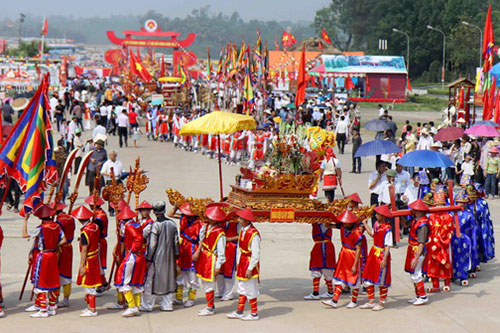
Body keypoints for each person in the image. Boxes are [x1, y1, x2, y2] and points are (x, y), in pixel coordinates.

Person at [23, 204, 66, 318]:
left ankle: (43, 310)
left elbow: (25, 235)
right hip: (52, 254)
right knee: (52, 280)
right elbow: (64, 239)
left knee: (40, 281)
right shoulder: (57, 226)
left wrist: (25, 222)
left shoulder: (40, 228)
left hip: (44, 255)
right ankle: (52, 307)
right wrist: (55, 246)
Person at [142, 201, 179, 312]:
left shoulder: (155, 225)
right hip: (170, 257)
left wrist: (148, 258)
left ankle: (148, 305)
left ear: (154, 211)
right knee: (169, 279)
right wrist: (176, 255)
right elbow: (176, 242)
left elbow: (152, 245)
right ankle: (168, 304)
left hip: (157, 258)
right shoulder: (172, 224)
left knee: (151, 281)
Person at [321, 210, 362, 309]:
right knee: (340, 277)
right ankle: (334, 300)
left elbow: (358, 250)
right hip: (343, 254)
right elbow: (332, 225)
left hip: (352, 256)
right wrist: (327, 222)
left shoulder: (357, 233)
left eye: (346, 222)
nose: (344, 223)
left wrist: (355, 265)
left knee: (354, 278)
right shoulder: (343, 227)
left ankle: (354, 300)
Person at [226, 209, 261, 321]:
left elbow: (256, 254)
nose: (238, 220)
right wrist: (238, 262)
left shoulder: (254, 234)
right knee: (241, 287)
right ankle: (239, 311)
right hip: (243, 261)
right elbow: (240, 249)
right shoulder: (242, 230)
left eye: (240, 218)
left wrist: (250, 268)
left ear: (246, 220)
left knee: (250, 288)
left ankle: (254, 313)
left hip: (249, 262)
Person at [193, 206, 227, 316]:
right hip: (204, 257)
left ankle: (210, 307)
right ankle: (209, 305)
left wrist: (218, 266)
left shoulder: (220, 234)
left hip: (211, 259)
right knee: (205, 283)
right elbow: (201, 239)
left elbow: (221, 252)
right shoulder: (207, 227)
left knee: (210, 284)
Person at [114, 206, 147, 317]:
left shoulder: (129, 226)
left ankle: (132, 306)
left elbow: (137, 238)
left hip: (132, 255)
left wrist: (134, 249)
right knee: (137, 281)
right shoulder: (136, 224)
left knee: (124, 281)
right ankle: (137, 306)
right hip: (140, 256)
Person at [168, 203, 202, 308]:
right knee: (180, 274)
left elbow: (202, 240)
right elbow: (170, 214)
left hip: (193, 248)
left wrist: (198, 252)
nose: (187, 216)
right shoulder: (183, 218)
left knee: (192, 276)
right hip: (182, 248)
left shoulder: (200, 223)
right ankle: (179, 297)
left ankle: (191, 298)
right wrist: (176, 206)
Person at [359, 205, 393, 311]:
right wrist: (365, 224)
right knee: (369, 276)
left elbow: (388, 245)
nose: (376, 215)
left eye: (378, 214)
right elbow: (373, 234)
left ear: (383, 216)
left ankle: (382, 302)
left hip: (382, 254)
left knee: (382, 280)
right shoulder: (376, 224)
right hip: (374, 253)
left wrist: (384, 259)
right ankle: (371, 300)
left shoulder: (388, 229)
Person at [73, 206, 102, 317]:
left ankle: (92, 309)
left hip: (89, 259)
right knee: (91, 284)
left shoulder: (85, 231)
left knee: (89, 284)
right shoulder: (95, 226)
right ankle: (89, 307)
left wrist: (81, 265)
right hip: (95, 256)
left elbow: (84, 249)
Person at [425, 186, 454, 293]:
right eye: (438, 205)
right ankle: (435, 285)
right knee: (433, 264)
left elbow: (450, 229)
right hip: (432, 244)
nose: (440, 207)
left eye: (442, 204)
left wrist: (442, 239)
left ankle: (447, 283)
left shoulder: (448, 216)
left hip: (445, 243)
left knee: (446, 263)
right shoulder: (431, 216)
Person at [404, 199, 430, 306]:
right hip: (412, 249)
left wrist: (416, 257)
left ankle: (423, 296)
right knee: (412, 273)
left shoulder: (423, 225)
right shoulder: (415, 220)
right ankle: (418, 295)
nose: (412, 211)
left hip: (417, 251)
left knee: (416, 273)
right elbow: (405, 225)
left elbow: (421, 243)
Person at [304, 218, 336, 300]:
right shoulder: (318, 222)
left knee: (324, 270)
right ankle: (322, 292)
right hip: (320, 247)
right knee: (318, 270)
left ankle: (325, 292)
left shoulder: (325, 223)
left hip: (324, 247)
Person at [52, 202, 75, 309]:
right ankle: (66, 298)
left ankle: (55, 297)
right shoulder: (71, 218)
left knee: (58, 273)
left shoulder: (58, 222)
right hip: (69, 247)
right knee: (67, 272)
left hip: (61, 248)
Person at [85, 195, 110, 292]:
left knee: (98, 263)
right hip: (99, 241)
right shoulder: (99, 214)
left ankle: (102, 284)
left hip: (99, 241)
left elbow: (96, 231)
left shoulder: (99, 217)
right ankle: (102, 283)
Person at [451, 189, 474, 286]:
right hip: (453, 238)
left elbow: (472, 230)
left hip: (465, 238)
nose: (461, 204)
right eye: (459, 202)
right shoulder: (451, 214)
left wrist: (473, 241)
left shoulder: (469, 215)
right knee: (453, 256)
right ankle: (453, 274)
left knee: (463, 257)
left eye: (463, 203)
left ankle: (463, 276)